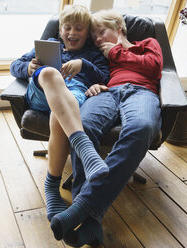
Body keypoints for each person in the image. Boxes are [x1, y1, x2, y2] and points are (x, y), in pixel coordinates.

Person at [49, 10, 163, 247]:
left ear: (119, 28)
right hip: (106, 91)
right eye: (94, 35)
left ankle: (83, 207)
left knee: (141, 128)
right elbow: (92, 70)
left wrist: (117, 51)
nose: (98, 39)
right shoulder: (100, 54)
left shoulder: (147, 43)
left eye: (101, 32)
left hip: (141, 92)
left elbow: (153, 68)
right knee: (84, 126)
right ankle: (91, 225)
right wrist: (94, 85)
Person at [10, 5, 110, 222]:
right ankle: (84, 147)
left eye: (79, 28)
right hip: (40, 91)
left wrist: (83, 65)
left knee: (64, 106)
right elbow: (14, 65)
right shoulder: (50, 46)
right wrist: (27, 67)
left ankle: (51, 187)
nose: (72, 33)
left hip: (73, 93)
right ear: (60, 30)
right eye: (67, 27)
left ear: (87, 32)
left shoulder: (92, 54)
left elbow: (105, 77)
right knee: (48, 72)